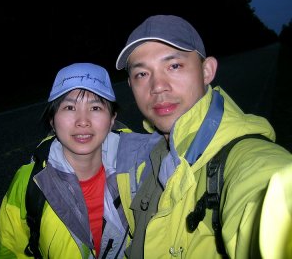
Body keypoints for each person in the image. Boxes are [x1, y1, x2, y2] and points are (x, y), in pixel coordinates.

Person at [113, 15, 292, 258]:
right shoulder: (147, 156)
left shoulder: (242, 156)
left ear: (207, 71)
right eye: (142, 74)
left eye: (173, 66)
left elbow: (265, 189)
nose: (157, 86)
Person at [0, 62, 129, 258]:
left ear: (111, 119)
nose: (82, 121)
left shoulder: (142, 170)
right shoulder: (29, 181)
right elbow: (9, 249)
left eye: (95, 107)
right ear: (52, 120)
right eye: (69, 107)